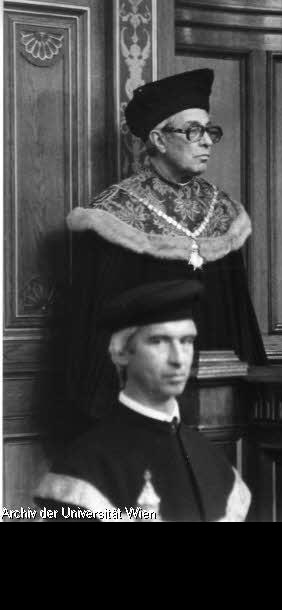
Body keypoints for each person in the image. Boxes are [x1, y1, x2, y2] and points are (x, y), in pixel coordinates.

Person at [63, 68, 265, 427]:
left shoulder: (225, 212)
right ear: (158, 139)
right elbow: (97, 331)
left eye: (210, 131)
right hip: (141, 396)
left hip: (220, 398)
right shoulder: (115, 212)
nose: (206, 141)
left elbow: (239, 320)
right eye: (193, 131)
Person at [35, 280, 251, 522]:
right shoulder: (83, 471)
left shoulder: (215, 465)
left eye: (186, 341)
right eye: (159, 341)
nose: (178, 359)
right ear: (121, 353)